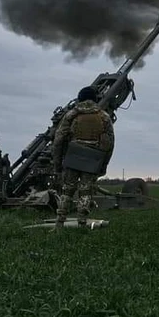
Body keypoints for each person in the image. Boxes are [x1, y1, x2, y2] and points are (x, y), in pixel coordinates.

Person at [51, 86, 115, 229]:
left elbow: (58, 140)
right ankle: (82, 223)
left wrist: (58, 164)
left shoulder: (71, 115)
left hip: (73, 156)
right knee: (85, 192)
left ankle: (59, 223)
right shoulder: (104, 116)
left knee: (67, 191)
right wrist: (103, 164)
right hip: (93, 159)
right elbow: (110, 143)